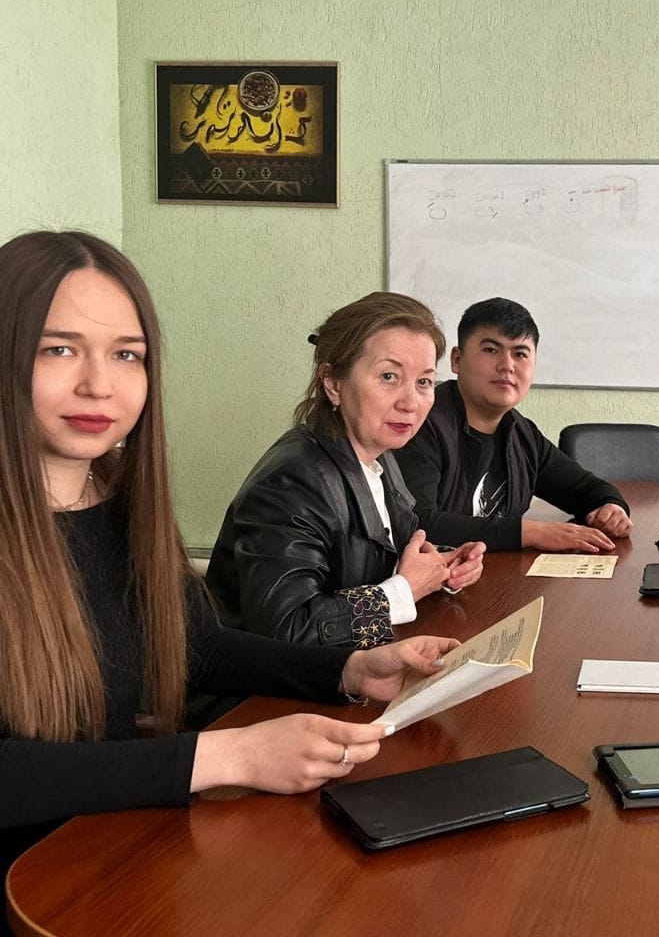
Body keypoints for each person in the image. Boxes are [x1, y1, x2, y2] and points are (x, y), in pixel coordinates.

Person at [0, 230, 460, 882]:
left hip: (113, 844)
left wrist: (352, 669)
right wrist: (226, 757)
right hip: (36, 879)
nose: (99, 384)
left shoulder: (122, 494)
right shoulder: (297, 473)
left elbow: (196, 644)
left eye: (127, 354)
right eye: (59, 349)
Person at [206, 293, 485, 648]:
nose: (410, 402)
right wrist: (403, 591)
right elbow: (287, 630)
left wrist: (440, 564)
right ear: (333, 383)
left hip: (353, 665)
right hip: (263, 683)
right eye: (388, 376)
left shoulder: (378, 455)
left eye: (424, 382)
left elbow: (382, 552)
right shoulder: (290, 482)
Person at [398, 297, 633, 553]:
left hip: (495, 572)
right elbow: (417, 523)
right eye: (491, 350)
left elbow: (585, 489)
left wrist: (611, 507)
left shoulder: (521, 433)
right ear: (457, 360)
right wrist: (529, 532)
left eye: (520, 354)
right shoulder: (421, 424)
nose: (507, 366)